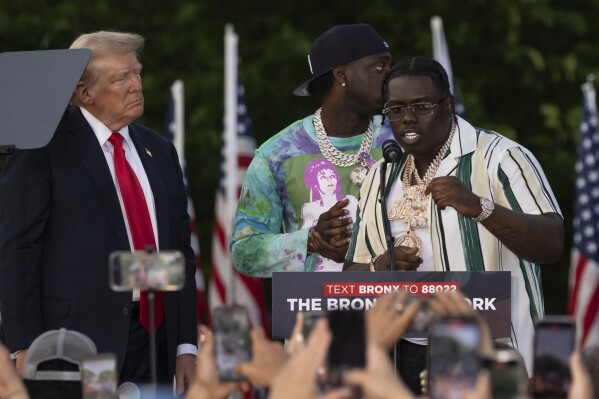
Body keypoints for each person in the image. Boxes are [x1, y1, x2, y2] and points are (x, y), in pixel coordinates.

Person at [345, 56, 564, 393]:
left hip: (493, 352)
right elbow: (350, 274)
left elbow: (551, 243)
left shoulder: (499, 157)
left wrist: (480, 208)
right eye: (396, 109)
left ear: (448, 105)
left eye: (421, 106)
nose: (408, 119)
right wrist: (379, 267)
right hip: (401, 355)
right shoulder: (380, 174)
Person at [0, 31, 197, 393]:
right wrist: (24, 344)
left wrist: (185, 344)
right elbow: (18, 250)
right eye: (121, 78)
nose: (136, 85)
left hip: (153, 342)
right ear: (84, 92)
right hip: (77, 345)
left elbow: (179, 252)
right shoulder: (42, 148)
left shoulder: (160, 150)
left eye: (136, 73)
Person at [230, 23, 394, 276]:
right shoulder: (277, 154)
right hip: (313, 310)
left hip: (395, 306)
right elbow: (244, 251)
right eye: (379, 67)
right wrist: (311, 241)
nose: (390, 76)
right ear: (342, 75)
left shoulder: (401, 141)